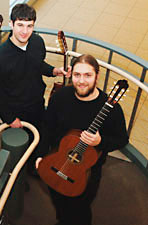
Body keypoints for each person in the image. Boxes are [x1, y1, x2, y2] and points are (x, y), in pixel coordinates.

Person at [35, 54, 129, 225]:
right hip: (56, 160)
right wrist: (41, 154)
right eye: (77, 75)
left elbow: (122, 140)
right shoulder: (60, 96)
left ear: (97, 76)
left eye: (88, 75)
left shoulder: (112, 108)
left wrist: (100, 142)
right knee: (58, 200)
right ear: (71, 74)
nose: (82, 81)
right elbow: (47, 127)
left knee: (79, 210)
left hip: (87, 171)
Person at [0, 3, 69, 175]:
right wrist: (10, 119)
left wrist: (54, 71)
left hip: (37, 104)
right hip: (15, 111)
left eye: (29, 26)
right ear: (11, 24)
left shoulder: (37, 42)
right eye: (20, 25)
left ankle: (33, 169)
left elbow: (37, 65)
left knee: (38, 140)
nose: (25, 31)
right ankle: (15, 178)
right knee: (16, 149)